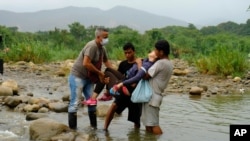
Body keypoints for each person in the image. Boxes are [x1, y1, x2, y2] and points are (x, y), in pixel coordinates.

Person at [68, 27, 113, 130]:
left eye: (107, 37)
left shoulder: (102, 48)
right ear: (98, 37)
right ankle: (72, 131)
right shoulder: (92, 46)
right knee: (74, 103)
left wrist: (115, 74)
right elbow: (86, 63)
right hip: (78, 76)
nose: (107, 39)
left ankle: (94, 129)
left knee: (92, 102)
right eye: (105, 37)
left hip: (89, 79)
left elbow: (106, 62)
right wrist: (100, 73)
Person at [103, 43, 142, 131]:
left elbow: (141, 76)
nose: (128, 55)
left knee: (136, 120)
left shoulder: (139, 63)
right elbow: (119, 78)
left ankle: (136, 136)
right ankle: (105, 129)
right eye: (126, 53)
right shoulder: (123, 64)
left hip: (134, 94)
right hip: (124, 92)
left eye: (130, 52)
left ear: (134, 52)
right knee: (113, 106)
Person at [141, 39, 173, 135]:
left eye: (156, 50)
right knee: (149, 124)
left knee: (153, 124)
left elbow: (145, 75)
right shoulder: (168, 63)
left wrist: (141, 64)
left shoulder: (160, 63)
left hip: (152, 97)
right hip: (156, 96)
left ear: (161, 52)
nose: (154, 52)